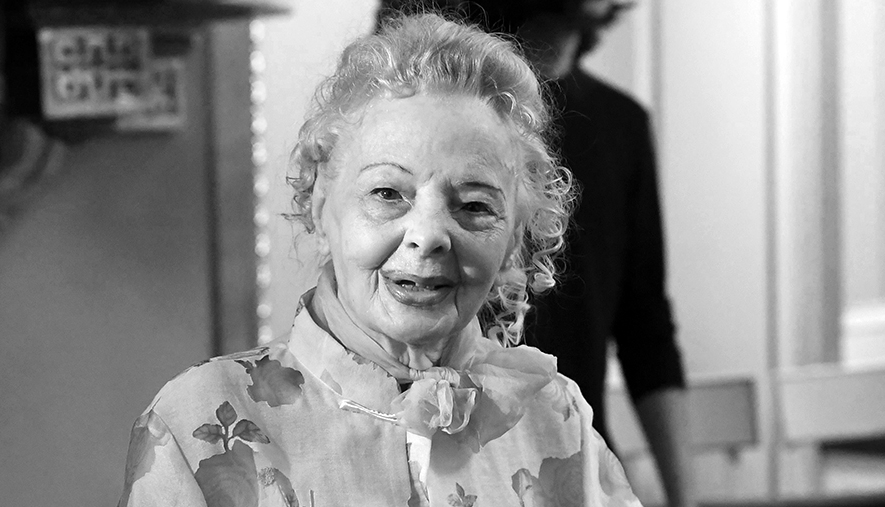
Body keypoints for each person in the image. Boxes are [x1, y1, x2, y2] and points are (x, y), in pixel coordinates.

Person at [118, 12, 643, 507]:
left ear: (513, 241)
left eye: (475, 206)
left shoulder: (557, 419)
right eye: (387, 193)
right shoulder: (198, 424)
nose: (429, 236)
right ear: (319, 206)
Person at [518, 4, 696, 507]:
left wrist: (685, 499)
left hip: (582, 474)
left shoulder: (622, 124)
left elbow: (646, 328)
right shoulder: (462, 114)